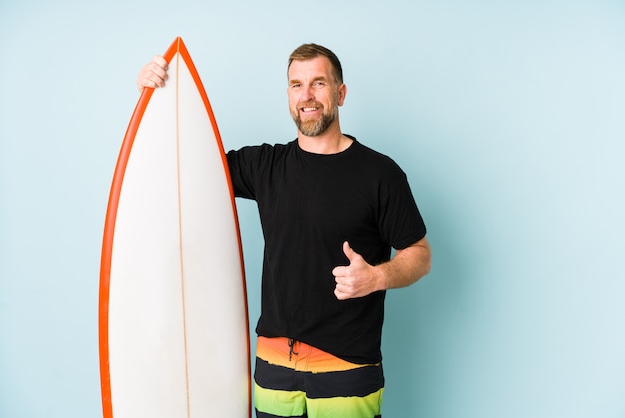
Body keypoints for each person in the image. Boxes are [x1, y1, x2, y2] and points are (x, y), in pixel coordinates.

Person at [137, 43, 431, 418]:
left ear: (340, 92)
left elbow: (419, 254)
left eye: (318, 83)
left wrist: (376, 276)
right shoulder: (264, 165)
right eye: (296, 85)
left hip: (347, 366)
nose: (306, 95)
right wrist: (156, 100)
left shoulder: (380, 174)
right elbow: (184, 165)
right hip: (274, 361)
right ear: (289, 95)